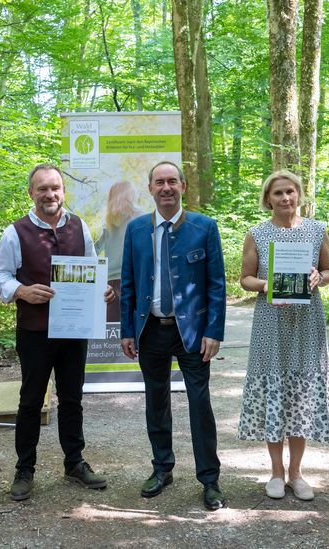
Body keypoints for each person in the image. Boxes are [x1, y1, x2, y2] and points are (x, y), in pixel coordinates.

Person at [0, 163, 115, 501]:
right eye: (42, 188)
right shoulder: (15, 232)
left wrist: (100, 290)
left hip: (74, 331)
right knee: (30, 401)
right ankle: (24, 468)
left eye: (55, 188)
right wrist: (21, 291)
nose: (50, 194)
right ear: (31, 193)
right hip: (34, 330)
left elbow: (91, 268)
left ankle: (74, 462)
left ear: (63, 191)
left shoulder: (79, 227)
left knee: (73, 398)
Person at [120, 161, 226, 511]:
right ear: (150, 189)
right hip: (151, 330)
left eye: (172, 182)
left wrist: (214, 331)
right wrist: (127, 330)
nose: (166, 188)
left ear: (183, 186)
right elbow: (129, 284)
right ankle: (162, 468)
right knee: (156, 401)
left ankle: (209, 479)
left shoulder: (204, 227)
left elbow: (216, 285)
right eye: (159, 182)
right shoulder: (136, 230)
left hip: (192, 332)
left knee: (200, 404)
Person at [237, 169, 329, 502]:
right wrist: (267, 285)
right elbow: (245, 279)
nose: (285, 198)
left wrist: (317, 278)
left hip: (307, 320)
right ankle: (276, 472)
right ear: (268, 199)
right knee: (274, 392)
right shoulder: (257, 234)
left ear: (300, 195)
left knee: (301, 394)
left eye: (290, 192)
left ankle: (297, 473)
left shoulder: (316, 230)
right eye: (278, 193)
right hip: (270, 321)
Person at [95, 180, 142, 322]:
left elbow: (94, 250)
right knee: (133, 326)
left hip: (109, 281)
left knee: (112, 325)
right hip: (132, 278)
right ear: (129, 195)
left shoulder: (107, 221)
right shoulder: (140, 218)